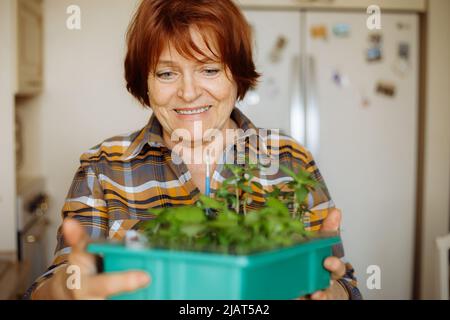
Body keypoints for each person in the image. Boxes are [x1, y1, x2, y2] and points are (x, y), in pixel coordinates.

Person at [28, 0, 361, 300]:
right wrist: (63, 290)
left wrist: (331, 292)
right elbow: (53, 282)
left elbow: (343, 283)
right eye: (167, 73)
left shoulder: (291, 160)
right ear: (145, 81)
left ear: (237, 74)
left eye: (210, 69)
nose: (188, 93)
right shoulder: (102, 167)